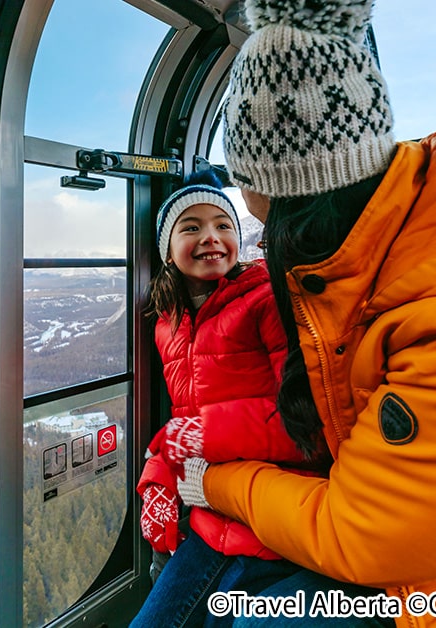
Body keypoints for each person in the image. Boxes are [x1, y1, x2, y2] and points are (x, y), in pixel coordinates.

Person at [175, 1, 436, 626]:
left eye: (240, 205)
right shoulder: (400, 241)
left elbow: (358, 536)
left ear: (274, 190)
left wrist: (217, 482)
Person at [132, 169, 318, 627]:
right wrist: (157, 479)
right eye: (190, 227)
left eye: (223, 225)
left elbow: (305, 425)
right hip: (209, 524)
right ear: (167, 251)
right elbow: (183, 426)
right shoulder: (168, 326)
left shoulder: (265, 301)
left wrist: (197, 435)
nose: (210, 237)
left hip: (274, 522)